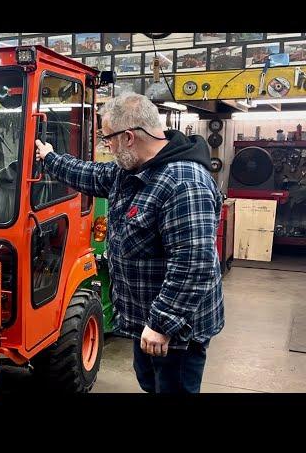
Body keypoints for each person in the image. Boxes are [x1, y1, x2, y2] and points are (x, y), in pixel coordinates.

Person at [35, 93, 224, 393]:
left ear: (128, 137)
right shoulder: (133, 170)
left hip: (176, 333)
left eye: (107, 138)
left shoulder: (184, 183)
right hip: (144, 321)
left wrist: (163, 323)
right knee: (150, 384)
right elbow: (91, 175)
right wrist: (50, 159)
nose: (105, 146)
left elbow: (194, 264)